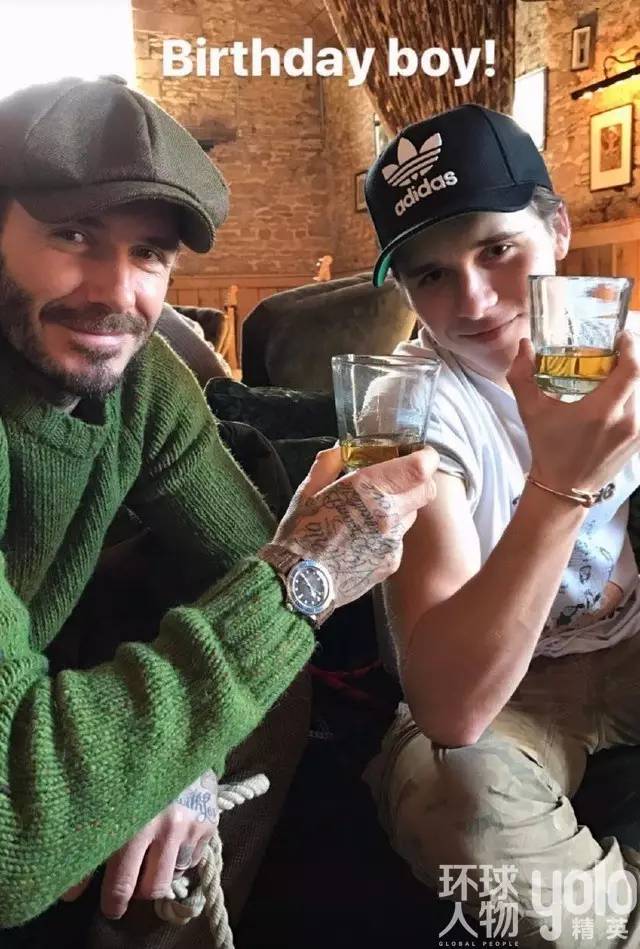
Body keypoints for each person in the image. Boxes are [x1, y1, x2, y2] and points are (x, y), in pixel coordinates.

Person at [0, 75, 440, 934]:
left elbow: (248, 582)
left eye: (149, 253)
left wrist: (184, 764)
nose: (115, 292)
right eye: (72, 234)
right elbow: (12, 828)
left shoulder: (142, 384)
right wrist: (305, 571)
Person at [362, 103, 640, 947]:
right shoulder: (410, 409)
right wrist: (562, 483)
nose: (475, 302)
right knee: (464, 815)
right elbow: (450, 707)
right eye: (431, 275)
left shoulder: (623, 351)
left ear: (558, 230)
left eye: (496, 249)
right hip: (503, 700)